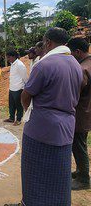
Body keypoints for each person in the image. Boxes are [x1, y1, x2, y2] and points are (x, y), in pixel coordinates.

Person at [20, 28, 83, 205]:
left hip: (41, 129)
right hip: (67, 127)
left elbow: (26, 95)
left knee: (34, 173)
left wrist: (28, 111)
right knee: (59, 173)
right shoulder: (75, 64)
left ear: (48, 42)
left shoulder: (44, 65)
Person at [67, 37, 91, 190]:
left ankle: (84, 179)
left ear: (77, 52)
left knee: (78, 145)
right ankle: (80, 171)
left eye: (71, 53)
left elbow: (74, 93)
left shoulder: (82, 69)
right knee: (80, 143)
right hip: (87, 112)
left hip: (81, 114)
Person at [4, 50, 27, 125]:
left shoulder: (20, 65)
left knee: (19, 105)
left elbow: (25, 77)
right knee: (11, 104)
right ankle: (11, 118)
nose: (8, 59)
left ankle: (19, 119)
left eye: (8, 57)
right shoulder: (13, 64)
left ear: (13, 56)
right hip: (12, 88)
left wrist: (24, 88)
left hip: (18, 88)